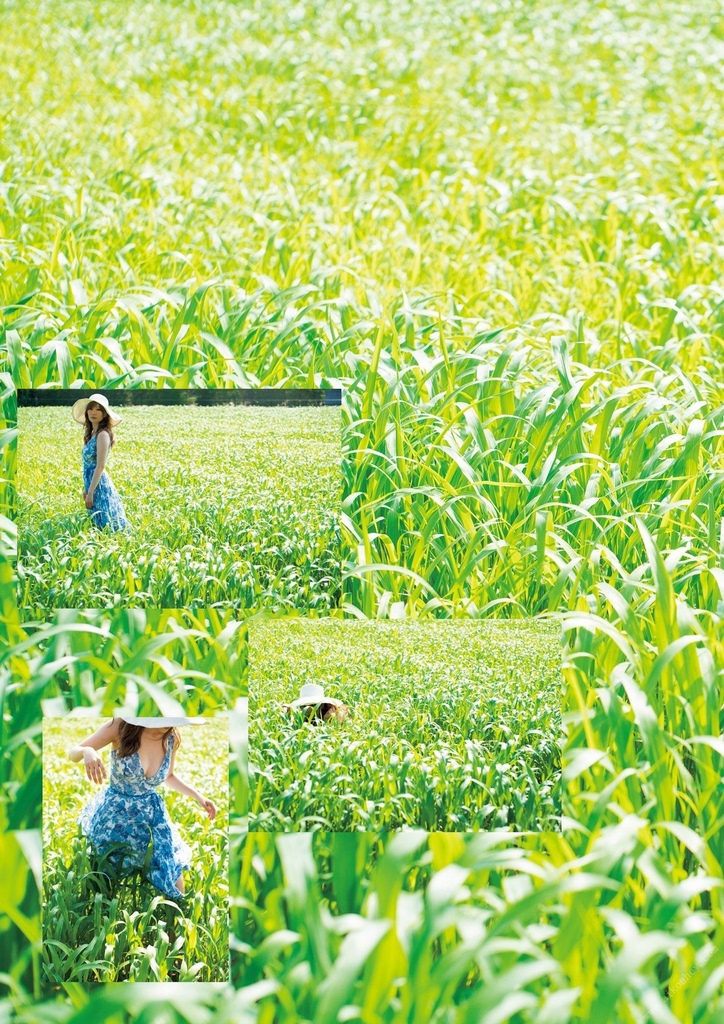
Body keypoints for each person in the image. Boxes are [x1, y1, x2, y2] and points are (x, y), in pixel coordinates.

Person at [68, 714, 216, 900]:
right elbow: (74, 752)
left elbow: (168, 776)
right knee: (105, 879)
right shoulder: (120, 726)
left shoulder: (171, 737)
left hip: (151, 816)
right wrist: (87, 751)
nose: (166, 726)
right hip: (115, 818)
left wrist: (199, 797)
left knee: (170, 865)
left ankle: (177, 924)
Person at [71, 393, 129, 532]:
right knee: (96, 523)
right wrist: (87, 488)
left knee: (105, 522)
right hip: (91, 482)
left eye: (98, 409)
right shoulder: (92, 434)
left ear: (104, 414)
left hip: (99, 485)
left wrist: (91, 492)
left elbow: (100, 465)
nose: (93, 412)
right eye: (91, 408)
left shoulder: (103, 434)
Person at [282, 682, 349, 724]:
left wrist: (329, 721)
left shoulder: (333, 713)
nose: (306, 709)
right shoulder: (298, 714)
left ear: (322, 705)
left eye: (312, 705)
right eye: (303, 706)